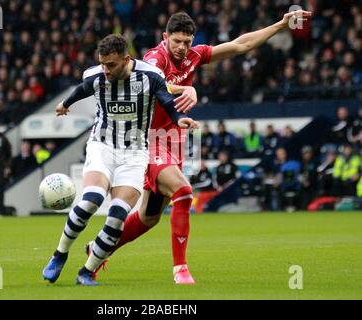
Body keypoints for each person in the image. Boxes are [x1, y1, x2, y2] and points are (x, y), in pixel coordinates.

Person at [91, 9, 312, 284]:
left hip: (173, 142)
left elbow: (240, 45)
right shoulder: (153, 59)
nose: (182, 47)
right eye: (177, 41)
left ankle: (97, 250)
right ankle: (180, 269)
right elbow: (153, 85)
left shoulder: (194, 56)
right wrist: (187, 89)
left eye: (187, 41)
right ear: (165, 37)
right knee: (183, 192)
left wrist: (279, 25)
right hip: (148, 140)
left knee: (149, 218)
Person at [42, 34, 198, 286]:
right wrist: (65, 103)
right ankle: (59, 254)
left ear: (126, 59)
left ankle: (87, 271)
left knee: (116, 216)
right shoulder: (96, 75)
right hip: (102, 146)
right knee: (90, 202)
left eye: (111, 65)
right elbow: (82, 89)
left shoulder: (150, 76)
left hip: (135, 154)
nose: (106, 70)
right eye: (102, 64)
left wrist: (179, 118)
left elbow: (166, 100)